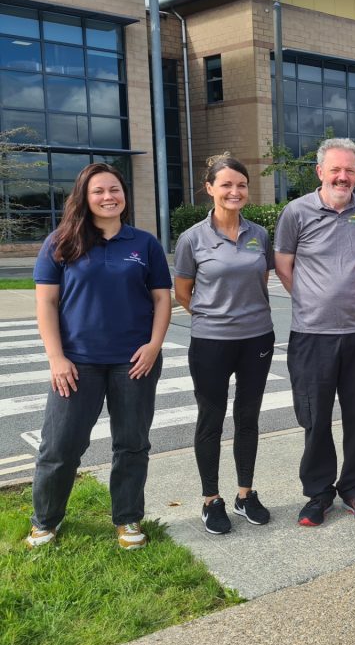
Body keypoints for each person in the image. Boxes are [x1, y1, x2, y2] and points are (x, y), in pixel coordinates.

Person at [26, 163, 171, 549]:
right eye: (98, 191)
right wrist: (56, 358)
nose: (109, 197)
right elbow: (47, 304)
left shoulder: (144, 244)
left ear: (124, 194)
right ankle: (45, 521)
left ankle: (127, 519)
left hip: (134, 362)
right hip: (77, 363)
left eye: (115, 190)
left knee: (132, 444)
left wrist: (154, 345)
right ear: (84, 197)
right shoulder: (61, 242)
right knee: (59, 446)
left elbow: (161, 298)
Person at [274, 138, 355, 526]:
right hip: (312, 334)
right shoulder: (296, 212)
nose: (343, 176)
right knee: (315, 416)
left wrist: (347, 294)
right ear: (320, 172)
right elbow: (284, 265)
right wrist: (313, 298)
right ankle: (318, 493)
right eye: (335, 170)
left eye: (350, 170)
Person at [174, 155, 276, 534]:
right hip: (210, 343)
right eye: (227, 185)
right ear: (210, 188)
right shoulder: (192, 239)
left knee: (248, 417)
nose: (235, 191)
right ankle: (211, 499)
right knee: (211, 420)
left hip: (257, 339)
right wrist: (214, 314)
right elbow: (183, 292)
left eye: (241, 185)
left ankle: (245, 493)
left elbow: (260, 280)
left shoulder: (258, 234)